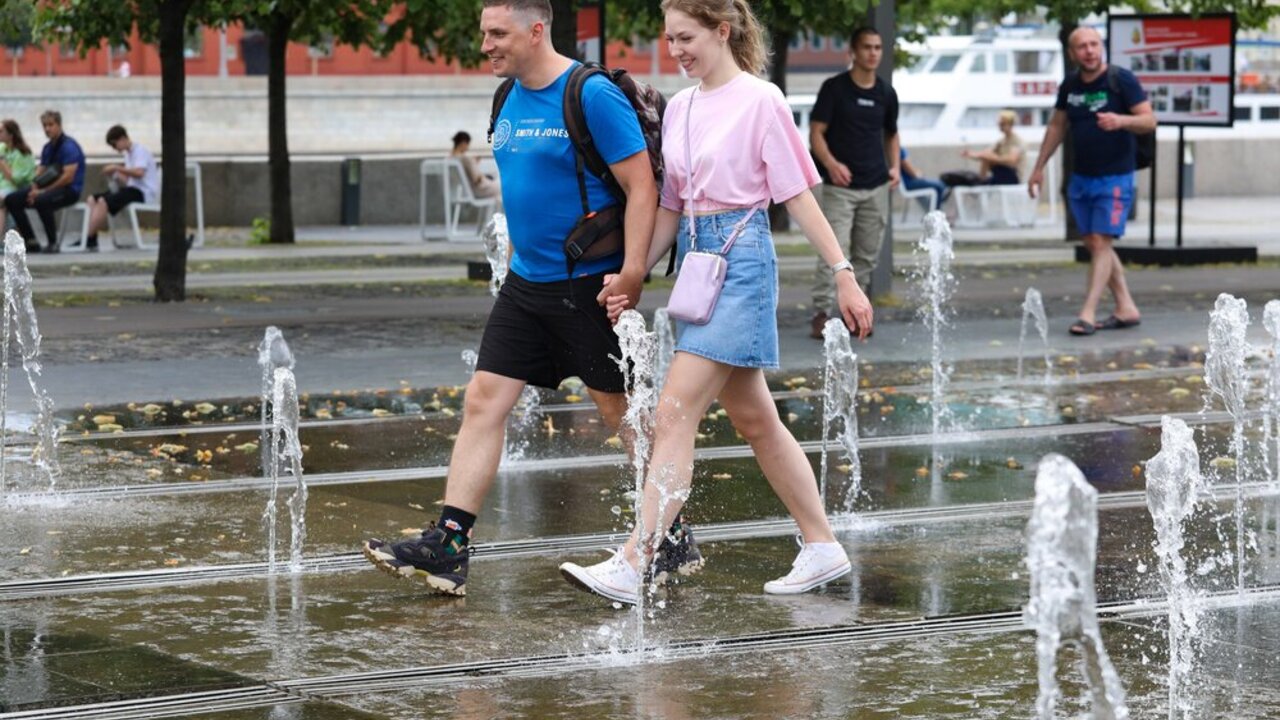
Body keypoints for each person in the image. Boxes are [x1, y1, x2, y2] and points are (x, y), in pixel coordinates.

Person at [362, 0, 702, 597]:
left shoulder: (588, 93)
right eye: (484, 33)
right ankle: (449, 544)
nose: (487, 44)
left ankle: (669, 536)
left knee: (620, 416)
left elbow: (641, 186)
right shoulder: (506, 98)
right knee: (483, 401)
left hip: (588, 287)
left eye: (498, 33)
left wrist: (631, 273)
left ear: (535, 29)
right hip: (526, 286)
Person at [559, 0, 873, 605]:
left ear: (722, 31)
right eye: (669, 38)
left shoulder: (763, 100)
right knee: (756, 420)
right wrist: (635, 273)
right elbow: (673, 207)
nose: (675, 50)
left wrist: (843, 273)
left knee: (675, 412)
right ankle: (822, 545)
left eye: (686, 37)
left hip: (744, 262)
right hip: (701, 266)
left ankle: (636, 559)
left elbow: (800, 196)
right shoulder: (682, 106)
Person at [1028, 27, 1154, 336]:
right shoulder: (1069, 85)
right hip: (1081, 177)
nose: (1089, 51)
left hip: (1115, 176)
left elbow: (1149, 120)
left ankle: (1087, 312)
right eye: (1082, 46)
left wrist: (1121, 120)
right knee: (1096, 243)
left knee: (1100, 242)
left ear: (1102, 47)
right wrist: (1038, 166)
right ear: (1072, 53)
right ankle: (1126, 307)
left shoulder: (1120, 80)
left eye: (1094, 44)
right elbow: (1057, 125)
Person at [807, 26, 899, 340]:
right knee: (833, 251)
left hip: (875, 185)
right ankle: (822, 311)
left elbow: (892, 134)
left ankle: (855, 312)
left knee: (866, 255)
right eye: (867, 47)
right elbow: (816, 133)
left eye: (878, 47)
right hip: (840, 187)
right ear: (853, 52)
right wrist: (831, 164)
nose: (873, 53)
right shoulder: (834, 89)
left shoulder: (886, 93)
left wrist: (896, 167)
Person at [3, 110, 85, 253]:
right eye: (44, 125)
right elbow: (40, 172)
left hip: (69, 190)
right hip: (48, 188)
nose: (47, 129)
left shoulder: (69, 146)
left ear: (59, 125)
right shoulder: (47, 148)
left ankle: (52, 242)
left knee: (41, 200)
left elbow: (68, 178)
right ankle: (31, 241)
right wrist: (33, 188)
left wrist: (42, 191)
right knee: (12, 200)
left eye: (50, 125)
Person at [82, 125, 158, 251]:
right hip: (133, 189)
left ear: (122, 138)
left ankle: (87, 238)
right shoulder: (128, 155)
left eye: (114, 145)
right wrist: (116, 175)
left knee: (103, 202)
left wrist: (117, 168)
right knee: (93, 199)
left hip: (143, 193)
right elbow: (130, 180)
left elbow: (140, 173)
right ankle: (91, 236)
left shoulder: (140, 151)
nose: (115, 149)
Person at [962, 109, 1025, 185]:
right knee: (987, 155)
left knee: (987, 157)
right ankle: (981, 181)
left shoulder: (1016, 140)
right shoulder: (1001, 141)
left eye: (1002, 124)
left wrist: (993, 158)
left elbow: (1012, 160)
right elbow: (986, 154)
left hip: (1013, 176)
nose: (1000, 126)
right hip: (1001, 174)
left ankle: (981, 181)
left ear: (1010, 124)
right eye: (1000, 124)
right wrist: (971, 154)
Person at [449, 130, 503, 211]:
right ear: (463, 143)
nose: (468, 147)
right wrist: (479, 172)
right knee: (503, 187)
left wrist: (473, 163)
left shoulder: (451, 159)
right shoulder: (465, 159)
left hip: (466, 190)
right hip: (479, 190)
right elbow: (476, 179)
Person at [0, 119, 37, 233]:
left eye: (1, 131)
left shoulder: (22, 153)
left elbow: (16, 180)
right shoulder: (2, 148)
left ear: (11, 135)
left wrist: (1, 162)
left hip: (18, 188)